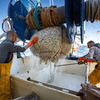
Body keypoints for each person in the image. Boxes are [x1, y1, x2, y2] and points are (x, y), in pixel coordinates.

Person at [0, 31, 38, 100]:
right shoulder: (7, 44)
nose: (15, 39)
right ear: (11, 37)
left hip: (3, 69)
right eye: (15, 38)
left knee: (2, 89)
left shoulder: (4, 43)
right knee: (5, 91)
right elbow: (22, 49)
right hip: (3, 71)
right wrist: (31, 42)